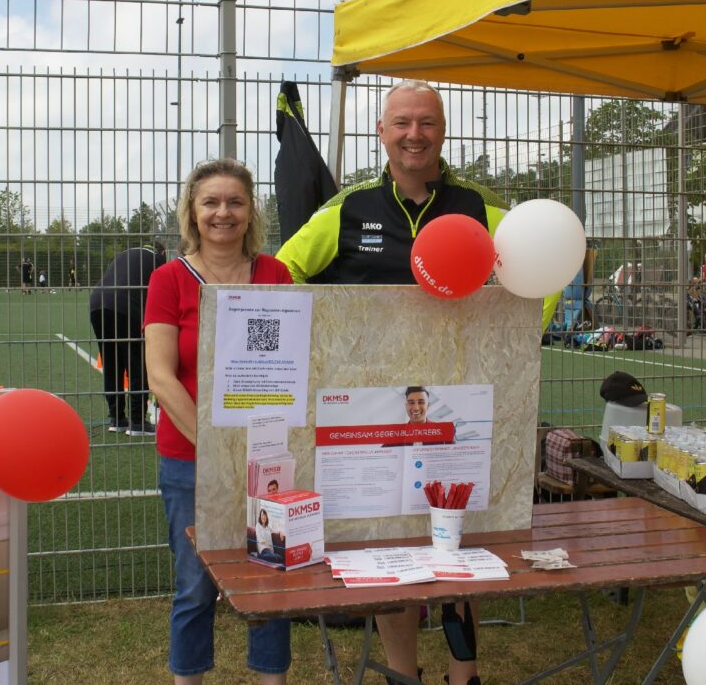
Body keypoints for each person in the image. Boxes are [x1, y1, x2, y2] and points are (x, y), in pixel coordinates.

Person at [278, 79, 534, 685]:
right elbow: (282, 272)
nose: (413, 134)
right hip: (371, 413)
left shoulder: (481, 208)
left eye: (426, 123)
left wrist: (512, 352)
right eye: (402, 123)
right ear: (382, 132)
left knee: (460, 535)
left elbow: (536, 284)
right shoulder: (347, 209)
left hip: (462, 409)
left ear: (441, 132)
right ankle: (403, 674)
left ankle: (463, 674)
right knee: (386, 541)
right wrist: (326, 348)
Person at [145, 158, 293, 684]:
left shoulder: (275, 274)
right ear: (192, 211)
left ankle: (270, 677)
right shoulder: (168, 280)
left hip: (266, 458)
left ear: (251, 211)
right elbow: (160, 378)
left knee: (270, 573)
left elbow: (291, 366)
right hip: (190, 459)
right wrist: (214, 446)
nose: (223, 213)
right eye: (210, 202)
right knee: (194, 585)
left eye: (235, 202)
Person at [90, 241, 167, 435]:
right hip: (126, 304)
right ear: (162, 251)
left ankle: (117, 418)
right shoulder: (158, 260)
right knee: (137, 362)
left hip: (98, 302)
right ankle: (138, 422)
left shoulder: (123, 254)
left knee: (111, 360)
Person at [383, 385, 455, 447]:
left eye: (421, 402)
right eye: (411, 403)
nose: (416, 408)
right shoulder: (394, 436)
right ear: (406, 406)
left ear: (428, 406)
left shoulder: (443, 432)